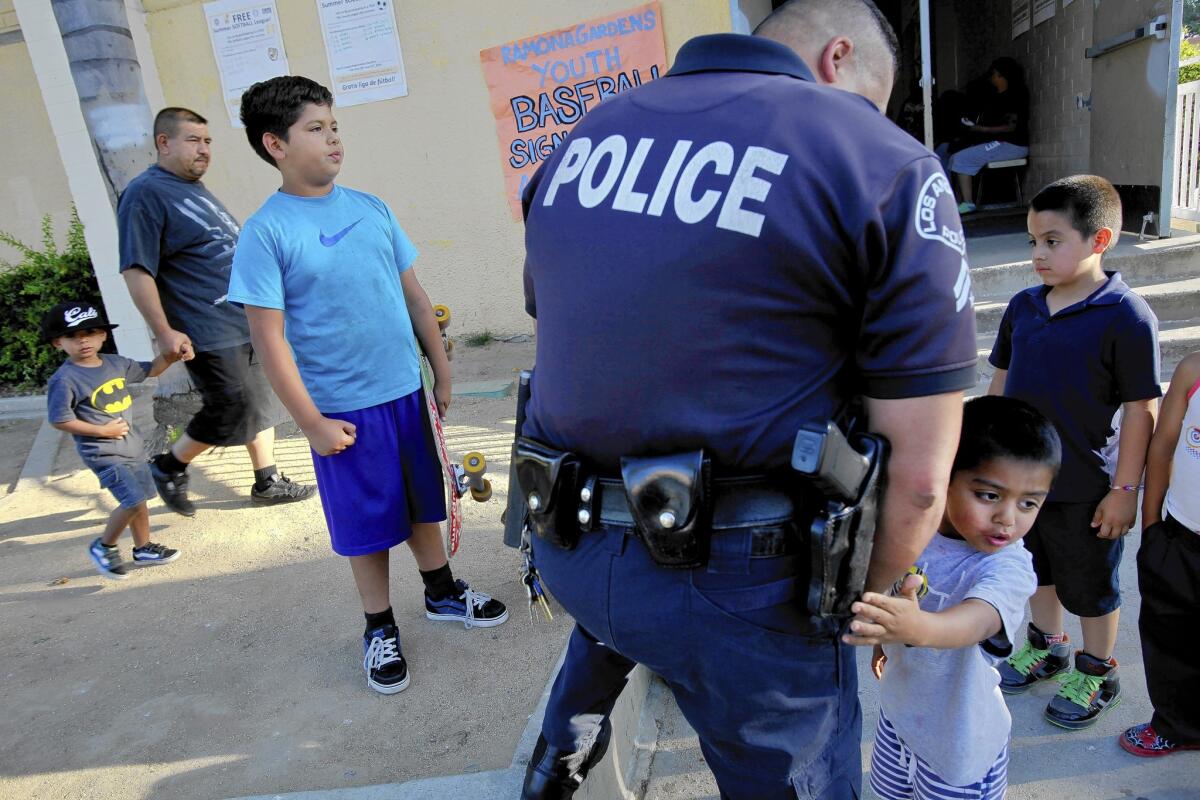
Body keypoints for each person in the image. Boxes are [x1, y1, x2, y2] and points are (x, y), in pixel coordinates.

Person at [517, 1, 980, 797]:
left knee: (600, 668)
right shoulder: (880, 160)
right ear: (838, 58)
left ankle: (552, 765)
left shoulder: (581, 138)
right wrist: (865, 602)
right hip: (743, 587)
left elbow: (578, 325)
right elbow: (921, 477)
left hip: (570, 545)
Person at [226, 76, 508, 695]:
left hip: (405, 394)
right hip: (344, 411)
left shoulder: (371, 207)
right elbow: (269, 342)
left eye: (335, 127)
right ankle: (378, 626)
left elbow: (413, 292)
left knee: (422, 503)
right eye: (315, 129)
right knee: (368, 524)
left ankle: (441, 593)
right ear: (275, 144)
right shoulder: (265, 233)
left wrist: (441, 364)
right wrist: (312, 424)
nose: (333, 139)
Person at [988, 175, 1161, 729]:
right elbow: (1001, 382)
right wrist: (986, 458)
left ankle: (1097, 668)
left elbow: (1141, 410)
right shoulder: (1023, 307)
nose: (1038, 253)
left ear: (1100, 239)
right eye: (1033, 241)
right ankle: (1048, 645)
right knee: (1035, 569)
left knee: (1089, 583)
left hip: (1087, 487)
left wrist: (1123, 491)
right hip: (1021, 485)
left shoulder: (1127, 317)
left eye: (1053, 241)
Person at [847, 395, 1059, 799]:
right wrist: (889, 640)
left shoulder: (1007, 566)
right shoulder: (917, 532)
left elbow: (977, 620)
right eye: (990, 496)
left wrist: (915, 627)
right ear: (946, 476)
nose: (1007, 519)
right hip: (899, 720)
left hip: (961, 752)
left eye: (1029, 503)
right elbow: (898, 593)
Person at [118, 107, 315, 516]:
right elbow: (137, 268)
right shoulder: (145, 194)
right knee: (231, 404)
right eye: (193, 140)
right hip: (206, 325)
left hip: (244, 317)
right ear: (163, 142)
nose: (204, 149)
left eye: (207, 141)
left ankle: (268, 480)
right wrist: (164, 331)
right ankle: (169, 466)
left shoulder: (192, 189)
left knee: (262, 398)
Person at [43, 301, 185, 579]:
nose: (83, 340)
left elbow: (153, 369)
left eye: (91, 332)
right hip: (102, 452)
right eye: (72, 336)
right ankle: (104, 547)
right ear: (58, 343)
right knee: (131, 500)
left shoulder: (115, 363)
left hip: (131, 447)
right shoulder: (65, 379)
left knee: (140, 500)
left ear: (103, 335)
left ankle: (143, 548)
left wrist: (172, 354)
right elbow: (59, 418)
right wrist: (101, 432)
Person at [1119, 350, 1200, 756]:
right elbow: (1164, 445)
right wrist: (1152, 523)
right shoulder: (1193, 369)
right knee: (1169, 638)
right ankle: (1173, 724)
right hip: (1180, 538)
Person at [938, 57, 1029, 214]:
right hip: (1000, 143)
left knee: (961, 158)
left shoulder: (1014, 95)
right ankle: (960, 203)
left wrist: (982, 130)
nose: (991, 77)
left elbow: (1010, 127)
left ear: (1001, 75)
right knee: (954, 157)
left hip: (1012, 145)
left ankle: (968, 203)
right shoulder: (997, 97)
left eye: (994, 74)